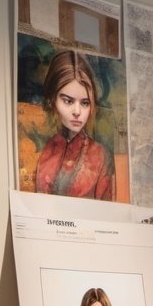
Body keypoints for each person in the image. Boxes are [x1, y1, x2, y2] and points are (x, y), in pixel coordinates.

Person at [36, 50, 115, 200]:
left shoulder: (100, 156)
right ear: (53, 100)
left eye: (85, 103)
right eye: (68, 101)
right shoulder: (43, 148)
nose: (77, 112)